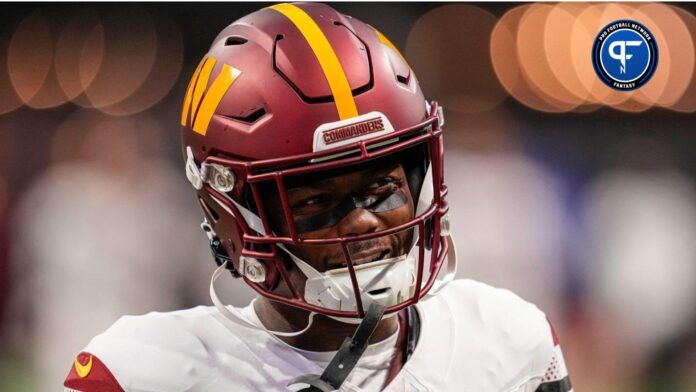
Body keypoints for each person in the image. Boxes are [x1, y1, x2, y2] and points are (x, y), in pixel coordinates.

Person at [64, 3, 571, 391]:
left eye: (383, 189)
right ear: (229, 218)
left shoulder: (507, 342)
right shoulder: (147, 372)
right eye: (314, 202)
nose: (365, 224)